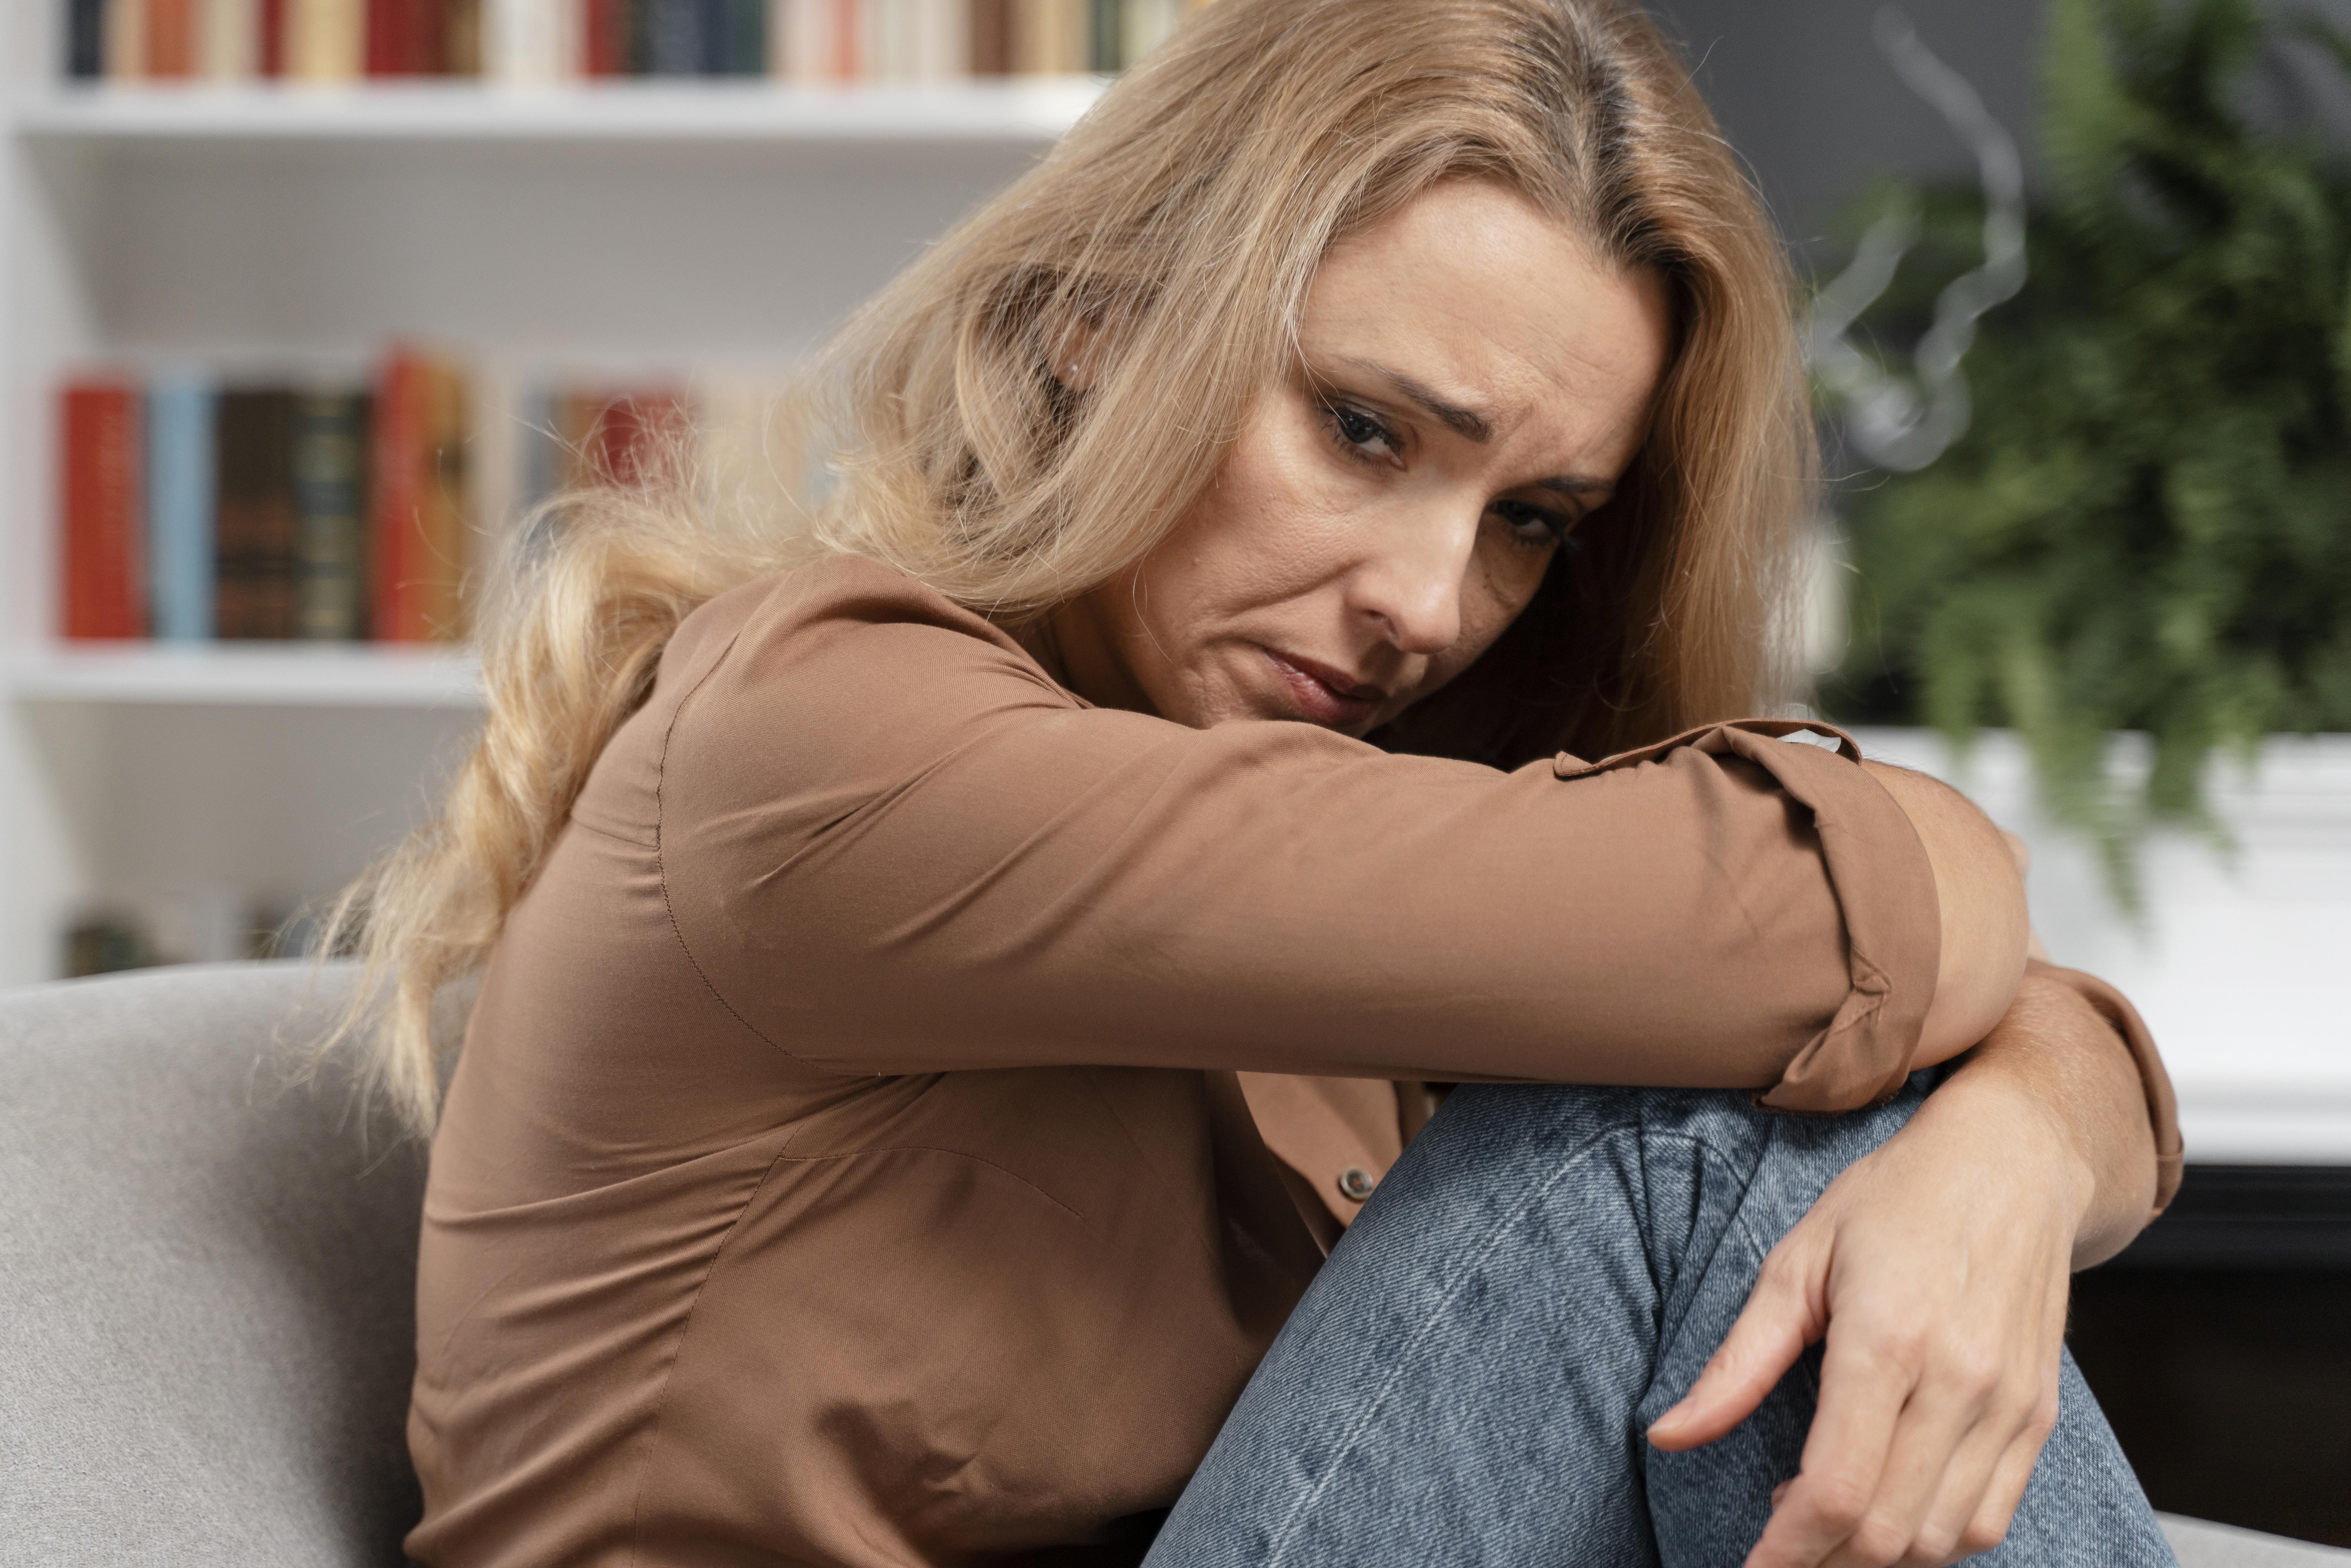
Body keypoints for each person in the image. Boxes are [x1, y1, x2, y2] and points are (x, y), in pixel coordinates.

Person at [335, 1, 2186, 1563]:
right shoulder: (823, 737)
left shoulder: (1309, 821)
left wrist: (2013, 1140)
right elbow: (1860, 915)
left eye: (1530, 521)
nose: (1427, 602)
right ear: (1105, 313)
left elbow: (1969, 1012)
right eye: (1363, 429)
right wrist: (1951, 946)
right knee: (1667, 1139)